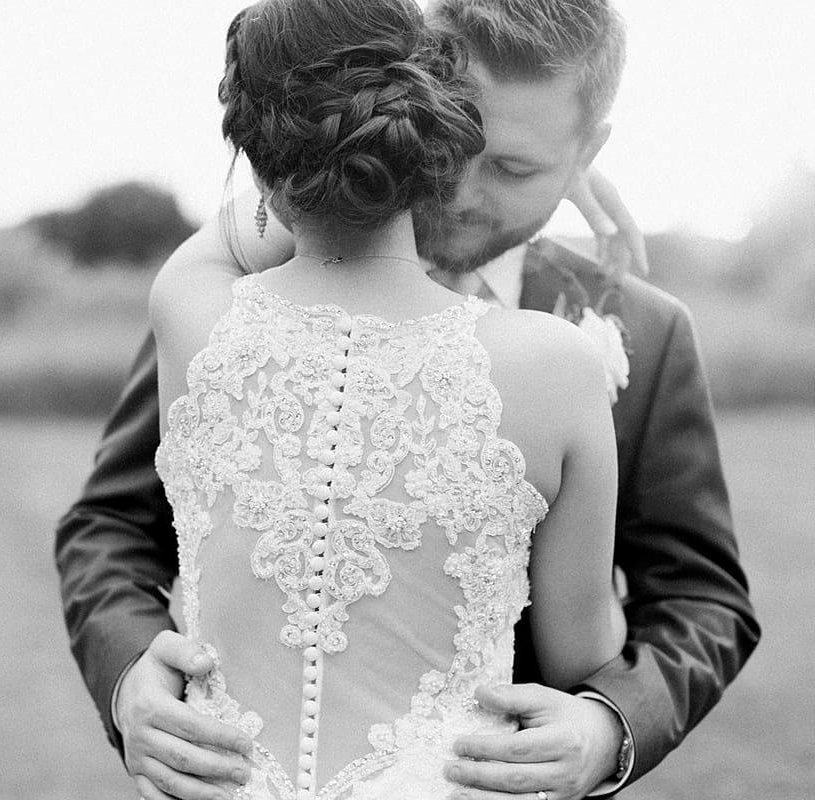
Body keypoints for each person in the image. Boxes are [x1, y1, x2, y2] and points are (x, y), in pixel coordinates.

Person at [55, 1, 760, 799]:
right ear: (417, 104)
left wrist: (608, 724)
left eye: (516, 168)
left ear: (586, 154)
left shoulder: (645, 328)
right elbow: (110, 525)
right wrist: (130, 682)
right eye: (457, 140)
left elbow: (701, 598)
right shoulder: (249, 298)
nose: (461, 192)